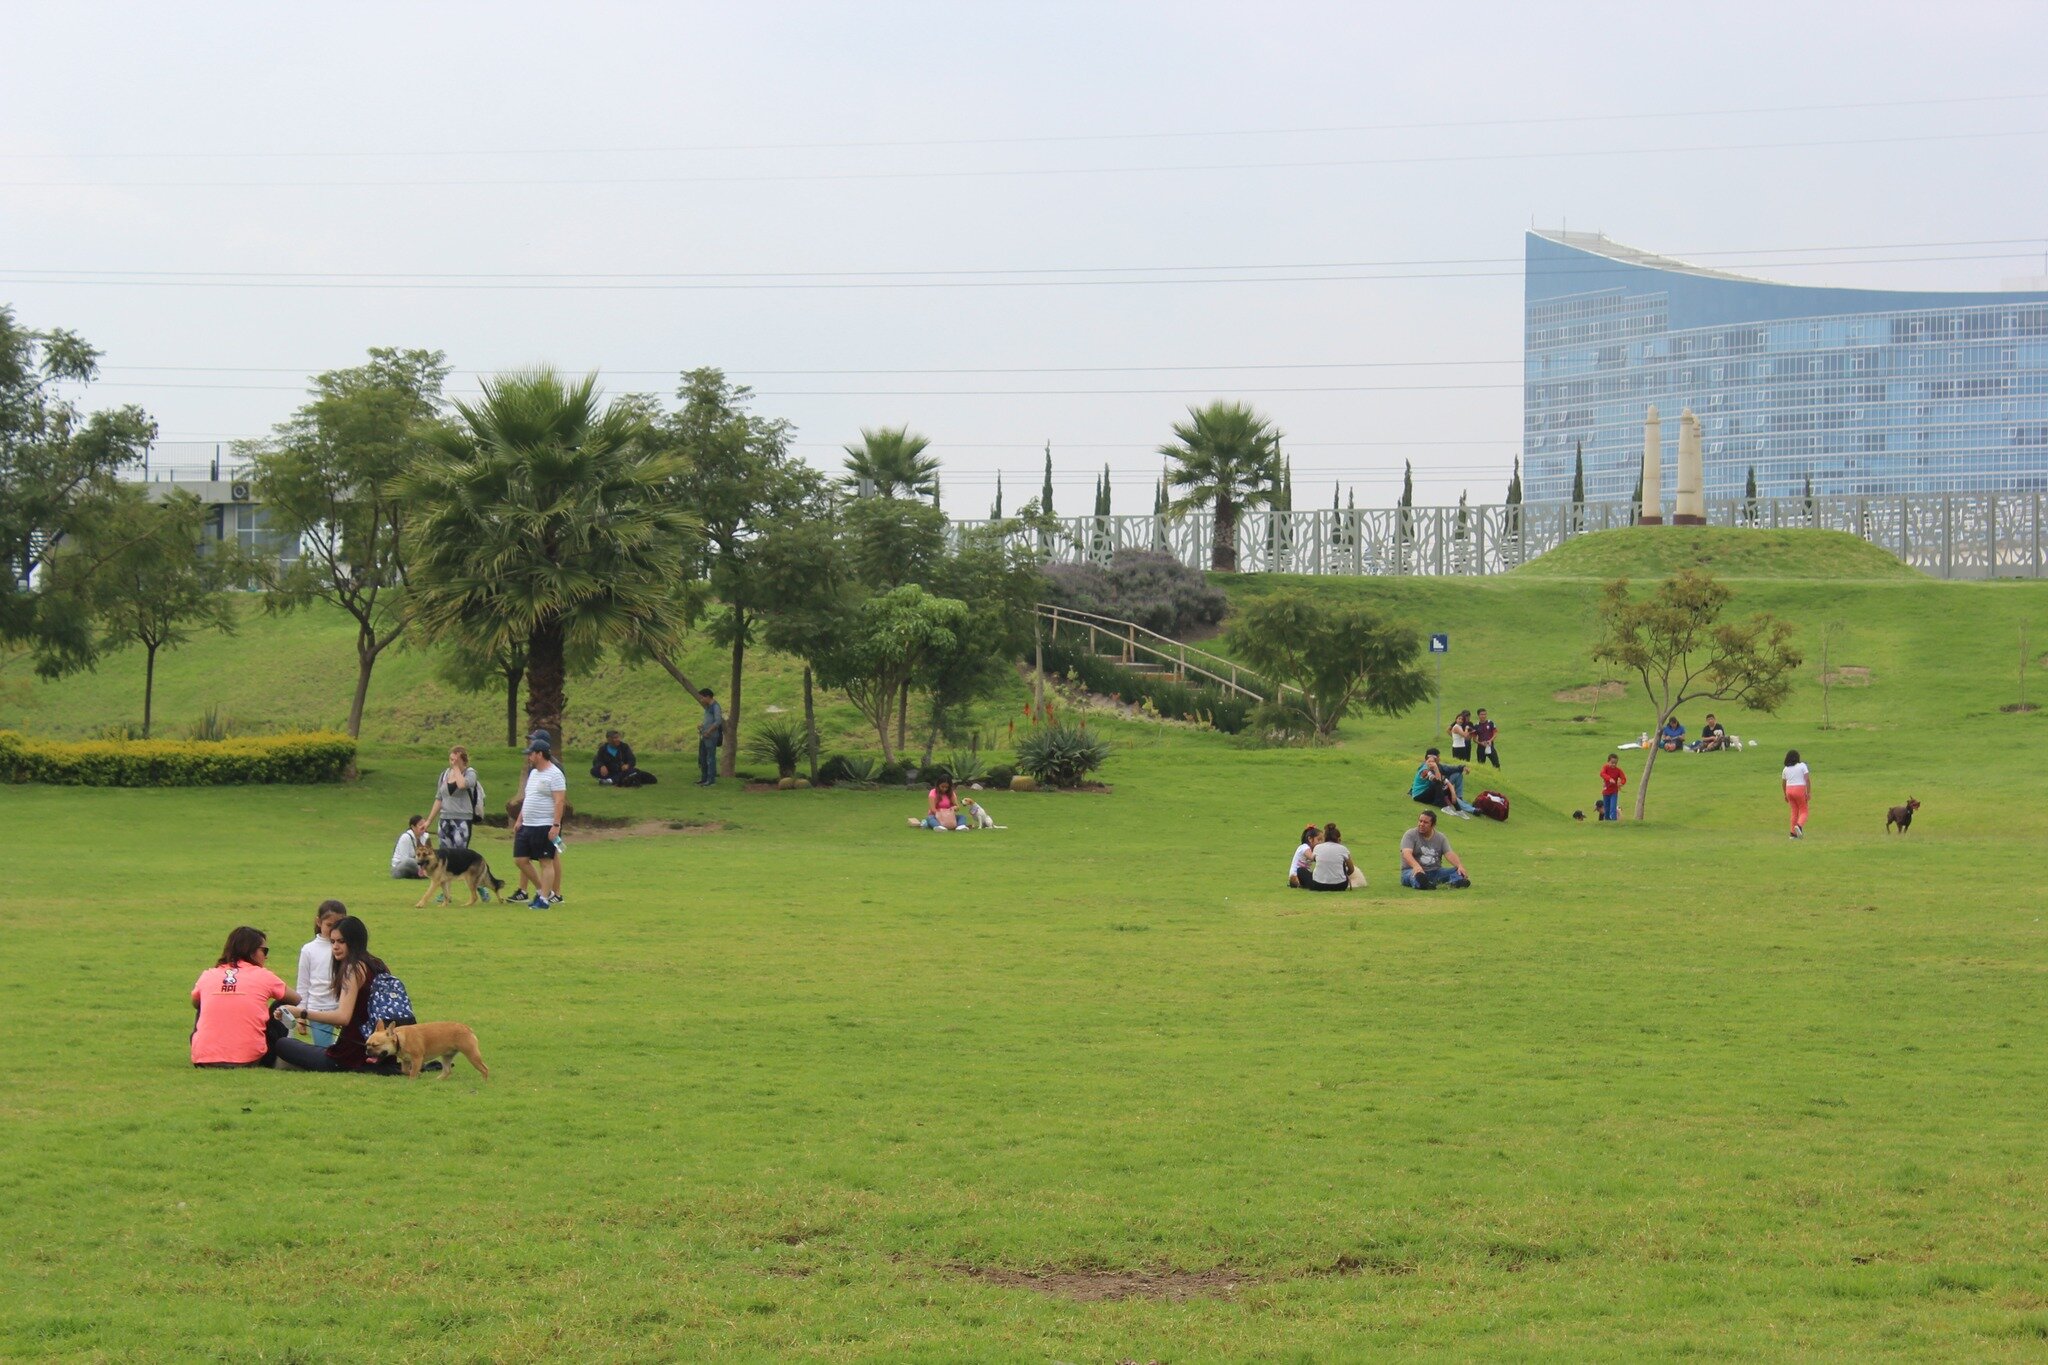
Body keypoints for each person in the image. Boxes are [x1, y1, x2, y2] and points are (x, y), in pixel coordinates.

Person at [272, 916, 402, 1073]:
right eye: (332, 942)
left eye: (341, 941)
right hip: (381, 1051)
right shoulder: (377, 964)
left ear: (354, 942)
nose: (335, 947)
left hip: (348, 1057)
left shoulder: (353, 969)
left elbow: (343, 1017)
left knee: (283, 1044)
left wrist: (301, 1013)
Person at [191, 926, 299, 1068]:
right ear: (251, 951)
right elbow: (296, 999)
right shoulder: (263, 975)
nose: (266, 956)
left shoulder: (208, 975)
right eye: (264, 951)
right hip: (250, 1060)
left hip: (204, 1061)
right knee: (282, 1005)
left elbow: (195, 1002)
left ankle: (208, 1049)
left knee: (203, 1003)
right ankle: (272, 1056)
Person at [513, 738, 567, 909]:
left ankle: (543, 899)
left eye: (531, 754)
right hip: (528, 824)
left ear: (540, 754)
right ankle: (543, 890)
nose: (528, 757)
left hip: (544, 824)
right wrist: (520, 819)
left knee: (545, 861)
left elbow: (559, 801)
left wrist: (556, 825)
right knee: (520, 860)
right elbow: (529, 797)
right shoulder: (533, 773)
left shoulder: (555, 774)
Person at [294, 901, 348, 1047]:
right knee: (324, 1051)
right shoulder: (309, 950)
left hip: (344, 1010)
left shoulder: (347, 948)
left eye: (338, 925)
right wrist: (301, 1014)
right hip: (318, 1011)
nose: (333, 930)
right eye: (329, 925)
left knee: (346, 1051)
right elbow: (303, 984)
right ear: (319, 922)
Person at [426, 746, 485, 851]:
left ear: (463, 760)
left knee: (459, 853)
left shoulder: (470, 773)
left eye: (455, 760)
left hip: (462, 819)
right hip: (445, 818)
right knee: (444, 853)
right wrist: (429, 821)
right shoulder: (445, 775)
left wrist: (457, 768)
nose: (452, 762)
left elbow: (462, 785)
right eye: (451, 759)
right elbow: (439, 798)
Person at [1399, 809, 1471, 890]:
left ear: (1433, 825)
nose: (1421, 824)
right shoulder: (1410, 834)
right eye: (1420, 821)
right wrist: (1416, 866)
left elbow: (1449, 854)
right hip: (1412, 870)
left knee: (1457, 870)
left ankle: (1455, 883)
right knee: (1416, 876)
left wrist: (1460, 866)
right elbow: (1406, 853)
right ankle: (1422, 883)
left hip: (1435, 871)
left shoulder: (1441, 838)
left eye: (1425, 822)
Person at [1410, 748, 1474, 817]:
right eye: (1438, 757)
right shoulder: (1425, 770)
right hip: (1419, 796)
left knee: (1453, 779)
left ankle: (1459, 810)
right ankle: (1443, 806)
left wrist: (1462, 767)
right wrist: (1436, 769)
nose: (1439, 759)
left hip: (1428, 793)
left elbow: (1449, 770)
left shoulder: (1437, 766)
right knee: (1440, 784)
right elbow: (1437, 781)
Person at [591, 730, 655, 787]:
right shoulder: (603, 749)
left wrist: (627, 765)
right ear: (608, 739)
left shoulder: (624, 747)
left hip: (622, 771)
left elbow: (632, 759)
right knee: (594, 770)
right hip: (609, 771)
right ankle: (613, 779)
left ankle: (610, 781)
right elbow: (598, 760)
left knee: (633, 771)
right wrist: (602, 766)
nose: (617, 739)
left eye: (618, 737)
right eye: (615, 738)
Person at [1307, 822, 1354, 891]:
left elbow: (1313, 859)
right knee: (1343, 864)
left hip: (1319, 885)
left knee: (1301, 871)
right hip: (1340, 886)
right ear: (1338, 839)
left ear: (1324, 837)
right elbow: (1351, 869)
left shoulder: (1317, 847)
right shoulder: (1343, 849)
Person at [696, 688, 724, 786]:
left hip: (711, 736)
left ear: (708, 696)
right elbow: (709, 720)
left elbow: (718, 721)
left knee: (710, 758)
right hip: (704, 735)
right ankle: (704, 778)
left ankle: (711, 780)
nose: (701, 700)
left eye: (702, 697)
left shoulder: (716, 707)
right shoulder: (708, 707)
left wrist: (709, 731)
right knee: (703, 757)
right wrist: (702, 726)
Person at [1782, 748, 1812, 839]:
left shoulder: (1785, 769)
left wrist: (1785, 794)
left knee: (1794, 811)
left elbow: (1783, 783)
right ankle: (1799, 826)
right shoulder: (1802, 766)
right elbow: (1807, 779)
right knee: (1804, 810)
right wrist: (1808, 792)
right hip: (1799, 789)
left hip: (1789, 790)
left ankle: (1793, 834)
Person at [1288, 824, 1320, 889]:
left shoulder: (1311, 849)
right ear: (1310, 839)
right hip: (1296, 874)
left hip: (1305, 873)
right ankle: (1297, 882)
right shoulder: (1304, 847)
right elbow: (1312, 857)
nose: (1321, 842)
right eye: (1319, 840)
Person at [1597, 753, 1627, 822]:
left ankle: (1614, 821)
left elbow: (1624, 778)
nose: (1614, 764)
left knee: (1613, 807)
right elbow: (1602, 773)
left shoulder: (1618, 770)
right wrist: (1609, 778)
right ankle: (1607, 820)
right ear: (1608, 761)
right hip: (1606, 792)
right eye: (1612, 763)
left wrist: (1621, 783)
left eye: (1615, 763)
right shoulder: (1605, 767)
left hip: (1614, 792)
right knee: (1606, 808)